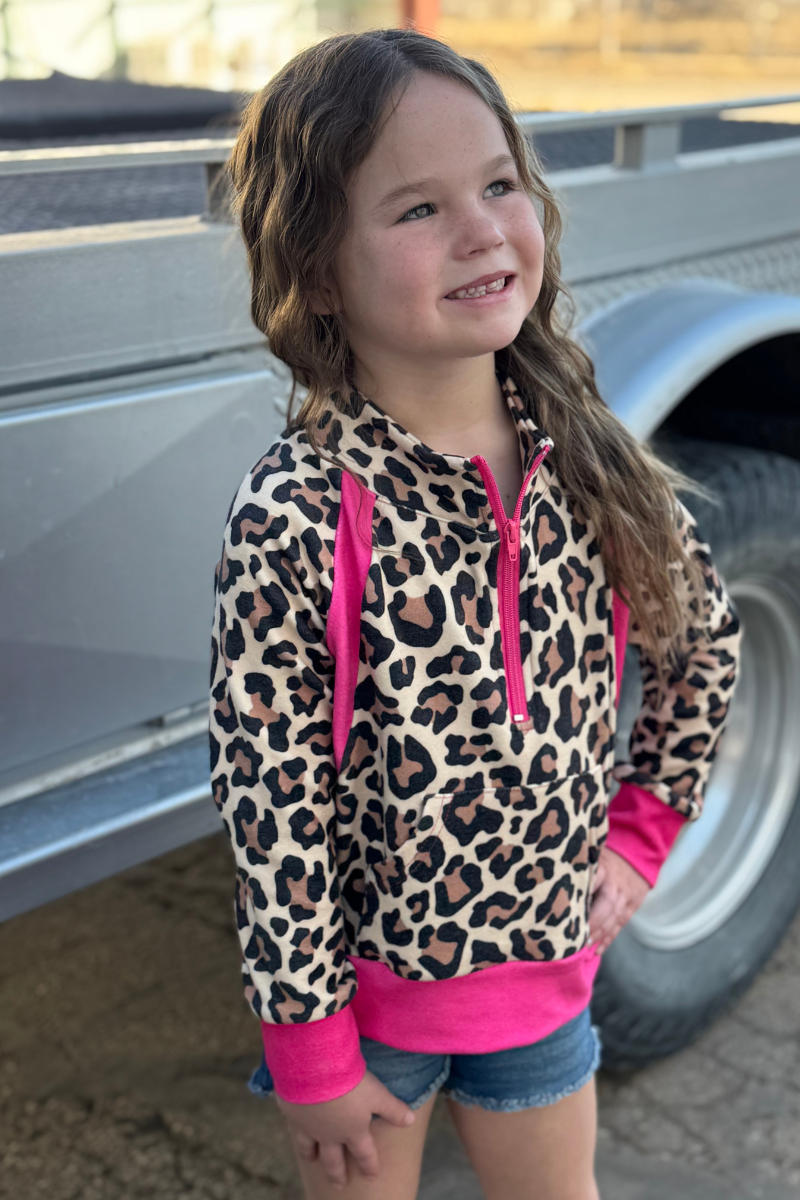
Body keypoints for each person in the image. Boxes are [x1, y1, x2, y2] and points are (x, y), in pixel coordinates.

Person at [209, 29, 742, 1200]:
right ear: (315, 272)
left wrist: (640, 832)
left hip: (545, 990)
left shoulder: (592, 463)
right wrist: (309, 1055)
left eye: (499, 185)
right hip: (365, 1022)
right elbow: (272, 813)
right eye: (416, 208)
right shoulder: (296, 513)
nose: (482, 230)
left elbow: (704, 645)